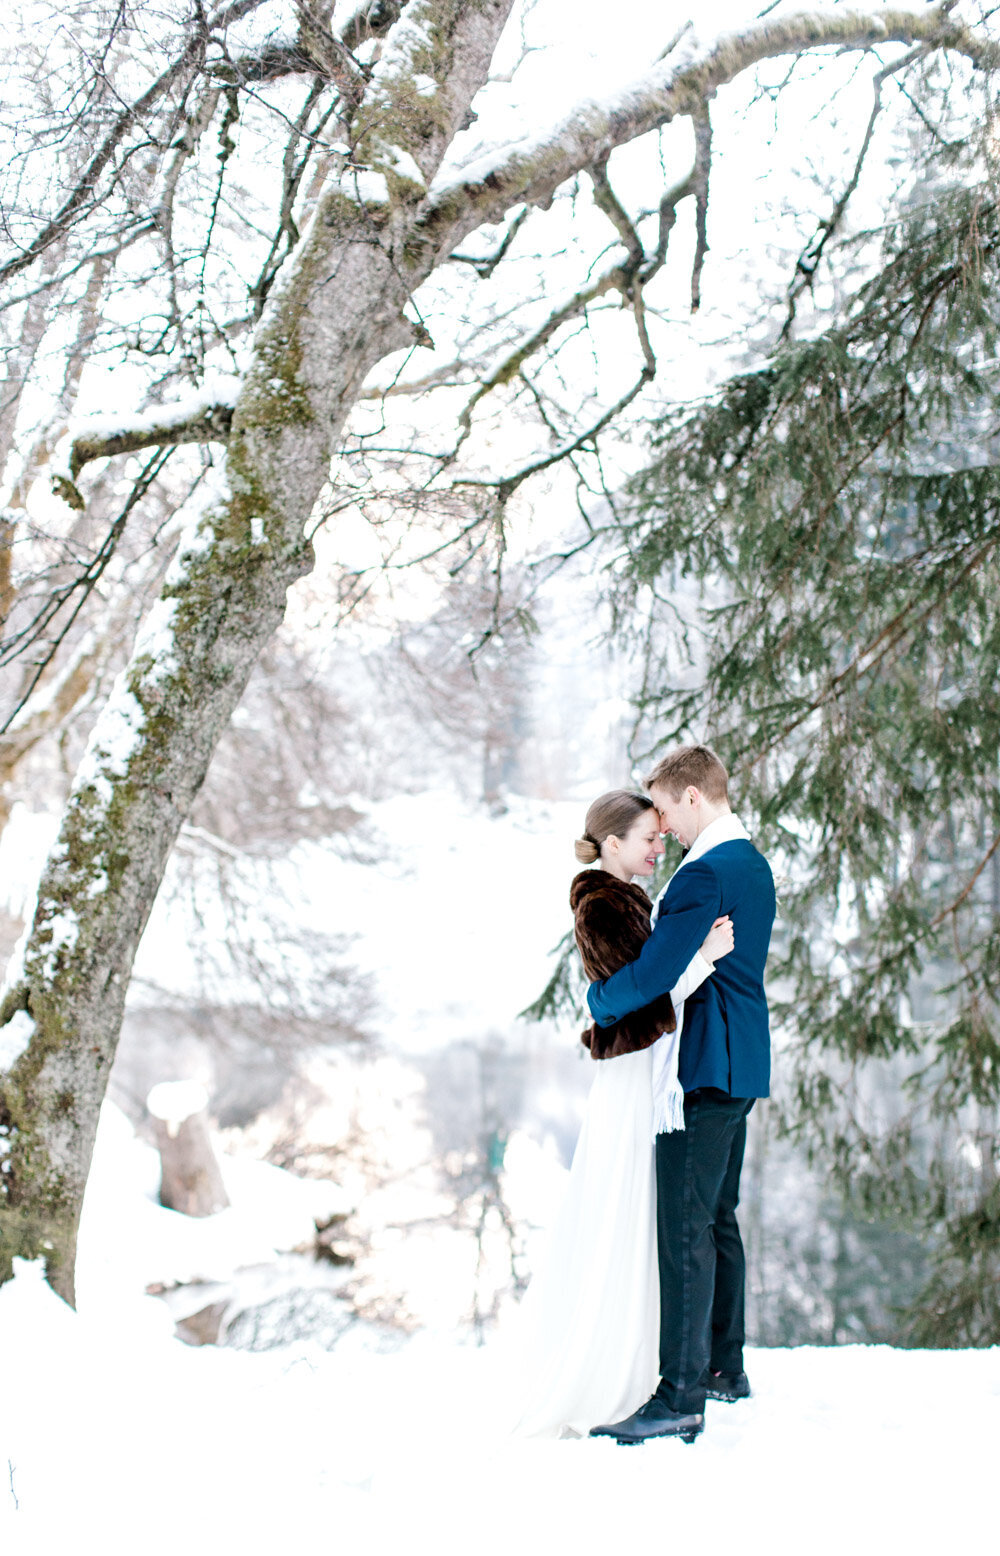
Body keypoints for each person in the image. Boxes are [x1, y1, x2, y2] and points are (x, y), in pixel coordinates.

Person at [507, 788, 734, 1439]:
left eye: (661, 838)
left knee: (642, 1209)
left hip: (643, 1072)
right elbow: (634, 1000)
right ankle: (614, 1369)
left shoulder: (629, 898)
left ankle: (644, 1365)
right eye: (647, 839)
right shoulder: (602, 902)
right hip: (633, 1073)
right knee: (623, 1202)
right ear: (612, 844)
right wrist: (701, 960)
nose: (659, 848)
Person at [587, 745, 776, 1446]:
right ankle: (725, 1369)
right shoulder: (751, 864)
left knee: (685, 1230)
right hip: (740, 1062)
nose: (662, 826)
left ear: (692, 798)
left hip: (700, 1066)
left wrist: (599, 1000)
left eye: (664, 809)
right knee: (717, 1219)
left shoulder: (704, 875)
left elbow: (654, 972)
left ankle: (680, 1396)